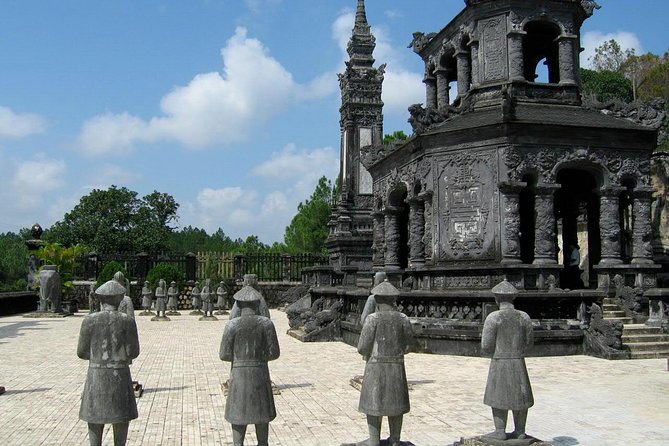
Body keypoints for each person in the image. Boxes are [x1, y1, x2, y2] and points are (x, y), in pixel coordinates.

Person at [77, 279, 140, 446]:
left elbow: (81, 353)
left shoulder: (89, 321)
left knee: (94, 418)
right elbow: (134, 352)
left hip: (95, 375)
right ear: (120, 298)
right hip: (119, 374)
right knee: (120, 420)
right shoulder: (127, 321)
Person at [353, 280, 413, 446]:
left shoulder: (372, 319)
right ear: (394, 300)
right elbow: (408, 346)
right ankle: (395, 439)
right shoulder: (403, 319)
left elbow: (362, 347)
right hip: (397, 367)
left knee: (374, 401)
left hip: (375, 366)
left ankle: (373, 439)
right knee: (396, 401)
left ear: (377, 299)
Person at [220, 285, 280, 446]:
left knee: (238, 417)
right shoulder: (267, 324)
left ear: (238, 305)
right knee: (262, 422)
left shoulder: (231, 325)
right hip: (260, 375)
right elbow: (274, 353)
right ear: (257, 304)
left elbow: (224, 355)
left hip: (239, 376)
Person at [481, 280, 534, 441]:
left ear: (497, 299)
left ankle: (500, 430)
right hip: (518, 361)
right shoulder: (524, 317)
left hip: (499, 361)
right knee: (520, 395)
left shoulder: (493, 318)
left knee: (497, 395)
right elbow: (529, 343)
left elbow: (486, 345)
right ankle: (520, 430)